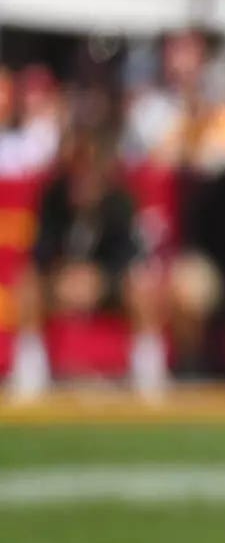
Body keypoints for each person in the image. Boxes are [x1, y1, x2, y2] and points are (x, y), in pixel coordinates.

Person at [6, 133, 178, 402]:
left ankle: (149, 380)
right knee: (27, 285)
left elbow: (128, 254)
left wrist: (98, 278)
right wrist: (65, 275)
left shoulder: (120, 201)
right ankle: (30, 379)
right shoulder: (52, 199)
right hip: (61, 282)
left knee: (141, 290)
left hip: (107, 285)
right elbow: (41, 250)